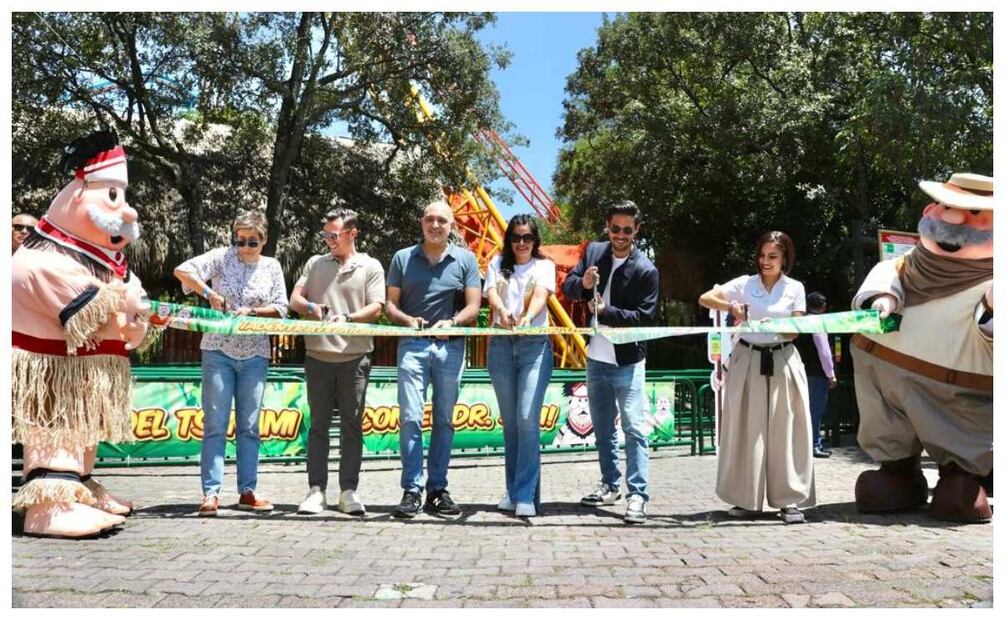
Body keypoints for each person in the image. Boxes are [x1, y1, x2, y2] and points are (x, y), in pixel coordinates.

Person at [12, 131, 152, 538]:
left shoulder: (98, 259)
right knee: (56, 427)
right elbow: (85, 309)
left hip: (81, 368)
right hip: (52, 370)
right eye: (113, 197)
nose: (128, 211)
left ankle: (79, 487)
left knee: (82, 431)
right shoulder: (40, 258)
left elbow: (122, 305)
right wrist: (126, 301)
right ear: (78, 195)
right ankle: (49, 506)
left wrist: (138, 316)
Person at [852, 173, 992, 523]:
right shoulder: (905, 265)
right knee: (887, 427)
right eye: (945, 206)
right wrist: (884, 296)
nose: (953, 218)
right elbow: (886, 277)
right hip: (882, 378)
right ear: (930, 209)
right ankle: (897, 472)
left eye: (975, 212)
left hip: (952, 391)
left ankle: (959, 476)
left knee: (957, 439)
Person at [173, 211, 289, 517]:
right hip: (217, 351)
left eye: (253, 242)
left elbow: (282, 308)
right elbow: (182, 271)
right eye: (240, 241)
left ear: (264, 240)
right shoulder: (221, 257)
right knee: (215, 424)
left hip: (255, 354)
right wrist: (210, 294)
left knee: (249, 426)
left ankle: (247, 491)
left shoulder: (272, 266)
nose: (246, 247)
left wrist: (252, 313)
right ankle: (210, 493)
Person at [698, 230, 814, 524]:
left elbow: (795, 331)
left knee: (786, 428)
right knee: (747, 428)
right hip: (748, 358)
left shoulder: (795, 288)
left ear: (785, 258)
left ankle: (789, 500)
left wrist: (775, 323)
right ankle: (746, 499)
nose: (765, 261)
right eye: (762, 255)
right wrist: (731, 306)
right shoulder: (745, 284)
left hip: (783, 359)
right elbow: (705, 298)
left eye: (772, 256)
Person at [562, 200, 659, 524]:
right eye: (615, 228)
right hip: (596, 358)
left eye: (627, 230)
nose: (620, 235)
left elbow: (645, 317)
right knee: (602, 429)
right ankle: (610, 485)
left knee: (634, 429)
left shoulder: (646, 269)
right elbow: (568, 287)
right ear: (607, 226)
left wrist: (607, 312)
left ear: (636, 230)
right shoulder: (593, 252)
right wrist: (584, 284)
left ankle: (638, 495)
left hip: (629, 362)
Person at [385, 200, 481, 518]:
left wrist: (452, 323)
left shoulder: (466, 259)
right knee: (411, 417)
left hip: (450, 347)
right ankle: (412, 490)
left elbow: (474, 306)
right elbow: (390, 305)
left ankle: (437, 490)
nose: (435, 225)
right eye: (430, 219)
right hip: (412, 345)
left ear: (451, 226)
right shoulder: (402, 258)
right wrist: (407, 320)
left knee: (444, 420)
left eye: (442, 220)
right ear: (421, 222)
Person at [289, 208, 386, 516]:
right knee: (318, 426)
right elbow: (294, 299)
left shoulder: (370, 265)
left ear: (352, 233)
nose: (329, 240)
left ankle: (348, 492)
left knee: (352, 426)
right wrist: (310, 307)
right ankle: (316, 491)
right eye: (326, 235)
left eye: (334, 235)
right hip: (317, 357)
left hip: (355, 359)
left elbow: (377, 307)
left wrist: (348, 318)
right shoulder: (314, 263)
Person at [484, 214, 555, 518]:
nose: (521, 243)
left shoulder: (544, 266)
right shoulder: (497, 263)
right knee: (511, 422)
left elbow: (540, 296)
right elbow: (491, 294)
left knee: (527, 418)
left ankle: (525, 493)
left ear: (535, 240)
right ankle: (513, 491)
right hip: (501, 344)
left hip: (534, 345)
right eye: (516, 237)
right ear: (509, 239)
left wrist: (526, 317)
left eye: (527, 237)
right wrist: (502, 311)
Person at [792, 292, 837, 458]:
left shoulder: (798, 322)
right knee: (814, 411)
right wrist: (831, 374)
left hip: (798, 371)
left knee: (798, 410)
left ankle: (799, 445)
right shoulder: (817, 323)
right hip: (816, 373)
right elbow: (824, 351)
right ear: (823, 307)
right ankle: (814, 445)